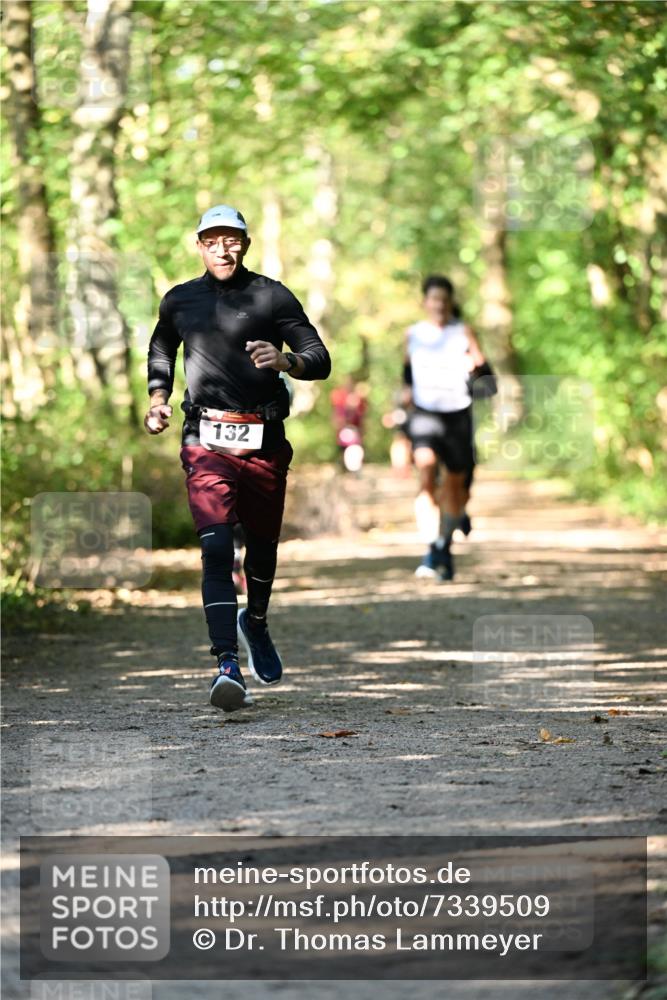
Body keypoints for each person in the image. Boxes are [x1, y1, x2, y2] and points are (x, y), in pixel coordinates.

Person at [145, 204, 331, 712]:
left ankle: (257, 621)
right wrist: (158, 398)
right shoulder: (180, 300)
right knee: (216, 545)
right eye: (212, 241)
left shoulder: (271, 295)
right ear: (199, 246)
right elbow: (161, 348)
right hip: (204, 439)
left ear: (245, 244)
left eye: (231, 240)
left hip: (264, 440)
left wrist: (287, 359)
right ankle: (226, 663)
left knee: (263, 546)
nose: (222, 249)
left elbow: (320, 358)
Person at [403, 274, 493, 581]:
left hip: (457, 415)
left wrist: (476, 367)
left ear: (451, 302)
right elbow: (407, 374)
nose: (439, 305)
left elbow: (487, 380)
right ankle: (431, 544)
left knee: (455, 487)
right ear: (425, 302)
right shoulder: (413, 334)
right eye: (434, 299)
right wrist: (404, 396)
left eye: (444, 299)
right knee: (426, 470)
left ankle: (443, 546)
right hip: (425, 414)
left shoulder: (463, 332)